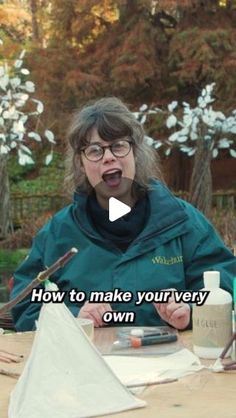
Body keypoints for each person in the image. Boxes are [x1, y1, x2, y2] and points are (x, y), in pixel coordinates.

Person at [11, 97, 236, 332]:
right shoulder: (58, 233)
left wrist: (190, 309)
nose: (108, 157)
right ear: (80, 163)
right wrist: (75, 316)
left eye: (118, 145)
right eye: (95, 150)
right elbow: (25, 305)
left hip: (170, 362)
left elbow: (225, 284)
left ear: (136, 153)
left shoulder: (182, 222)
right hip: (86, 364)